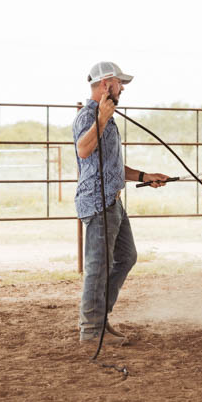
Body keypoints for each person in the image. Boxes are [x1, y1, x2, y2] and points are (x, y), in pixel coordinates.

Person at [73, 61, 169, 344]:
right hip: (99, 203)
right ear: (106, 85)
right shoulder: (89, 116)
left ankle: (99, 320)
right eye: (119, 83)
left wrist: (143, 175)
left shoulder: (106, 117)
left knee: (126, 257)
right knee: (98, 267)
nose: (122, 88)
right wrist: (101, 119)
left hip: (112, 201)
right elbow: (83, 149)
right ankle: (91, 331)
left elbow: (110, 164)